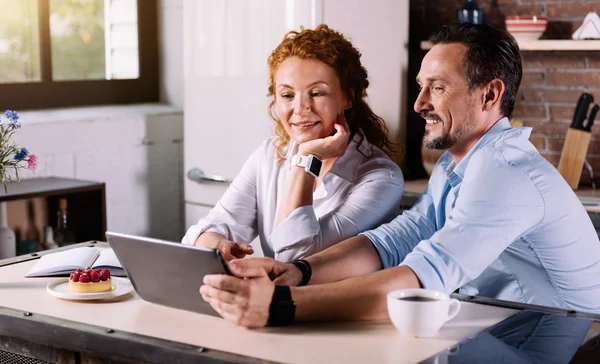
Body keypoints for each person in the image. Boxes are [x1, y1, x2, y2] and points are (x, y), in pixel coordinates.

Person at [199, 23, 600, 328]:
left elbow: (424, 279)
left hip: (564, 339)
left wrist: (280, 306)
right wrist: (301, 272)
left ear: (490, 94)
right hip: (504, 327)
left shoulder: (506, 173)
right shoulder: (456, 166)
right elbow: (396, 240)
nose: (419, 103)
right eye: (420, 87)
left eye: (437, 88)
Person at [182, 25, 404, 262]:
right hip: (279, 298)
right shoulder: (269, 155)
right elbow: (204, 232)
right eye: (288, 95)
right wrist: (220, 245)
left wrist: (306, 160)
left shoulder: (381, 178)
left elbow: (295, 259)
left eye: (317, 93)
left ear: (347, 97)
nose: (300, 109)